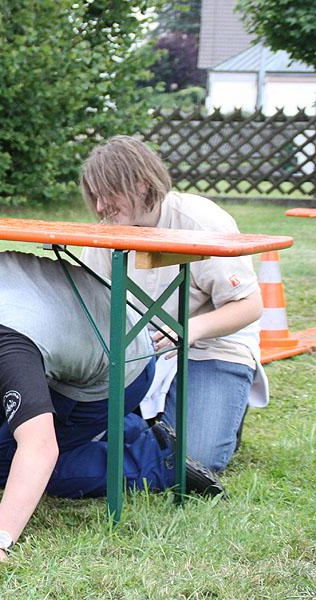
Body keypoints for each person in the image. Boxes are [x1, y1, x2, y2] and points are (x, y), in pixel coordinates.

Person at [0, 253, 224, 567]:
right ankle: (126, 427)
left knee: (2, 466)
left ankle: (157, 459)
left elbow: (39, 448)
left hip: (119, 371)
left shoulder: (9, 347)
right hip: (112, 329)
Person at [80, 135, 265, 473]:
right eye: (95, 196)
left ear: (141, 184)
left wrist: (190, 329)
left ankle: (211, 415)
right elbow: (86, 300)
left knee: (196, 459)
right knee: (76, 426)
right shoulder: (107, 232)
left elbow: (249, 306)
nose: (101, 206)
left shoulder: (201, 222)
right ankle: (154, 429)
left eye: (108, 193)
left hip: (212, 347)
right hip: (139, 350)